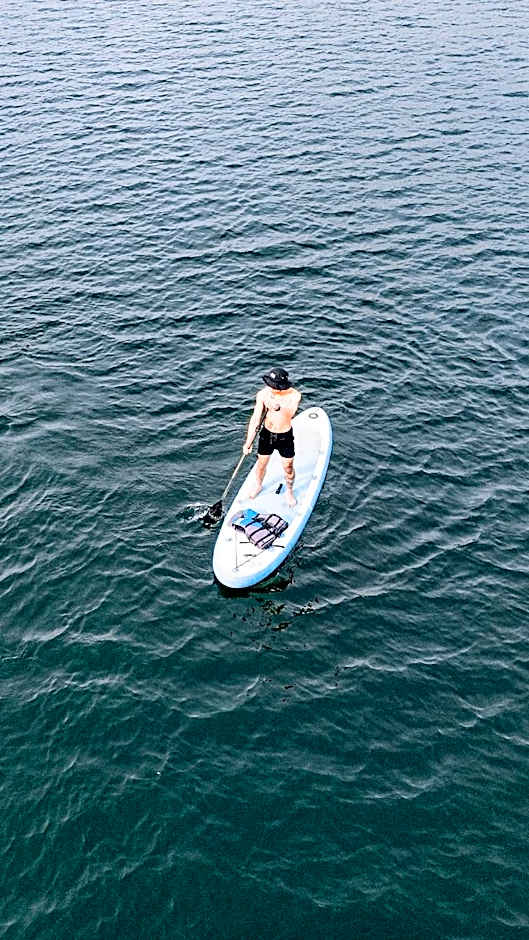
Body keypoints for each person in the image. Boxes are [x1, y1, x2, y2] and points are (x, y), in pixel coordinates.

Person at [243, 367, 301, 507]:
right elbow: (256, 419)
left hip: (285, 436)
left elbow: (289, 414)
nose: (270, 388)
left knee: (288, 466)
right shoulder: (263, 394)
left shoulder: (295, 395)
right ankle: (258, 485)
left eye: (273, 386)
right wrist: (248, 443)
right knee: (261, 464)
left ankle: (289, 491)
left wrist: (278, 406)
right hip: (267, 435)